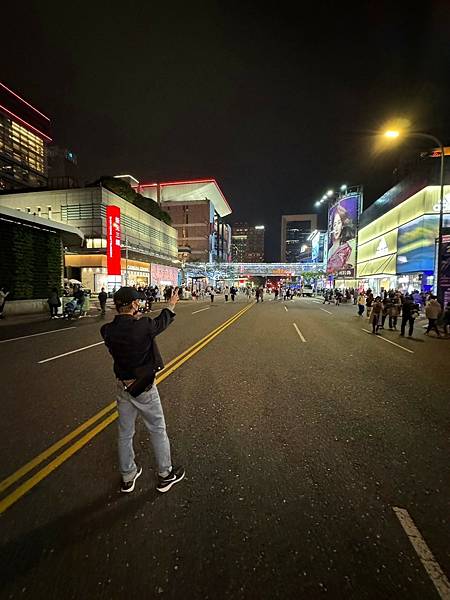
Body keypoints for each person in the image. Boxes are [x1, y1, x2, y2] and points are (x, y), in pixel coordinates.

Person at [101, 286, 185, 494]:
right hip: (144, 387)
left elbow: (125, 332)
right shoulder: (144, 326)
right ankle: (165, 475)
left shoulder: (107, 330)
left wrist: (133, 317)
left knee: (125, 433)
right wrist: (171, 303)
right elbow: (162, 321)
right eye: (137, 302)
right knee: (157, 429)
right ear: (134, 304)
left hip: (123, 386)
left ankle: (128, 476)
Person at [326, 203, 357, 274]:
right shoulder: (330, 250)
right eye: (334, 224)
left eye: (339, 223)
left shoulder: (348, 247)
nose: (336, 228)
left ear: (343, 225)